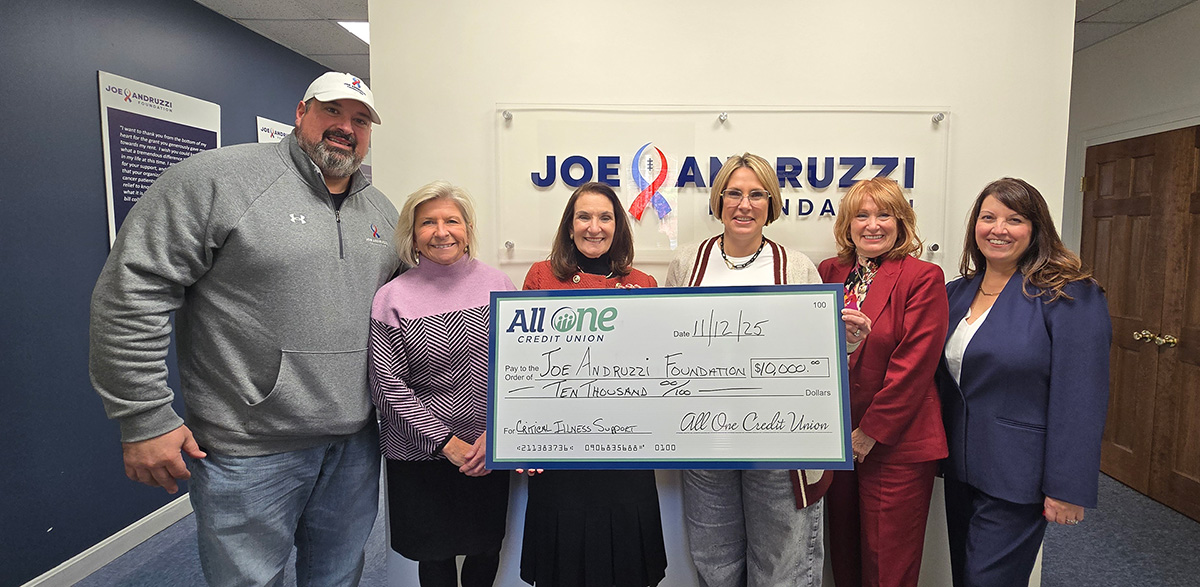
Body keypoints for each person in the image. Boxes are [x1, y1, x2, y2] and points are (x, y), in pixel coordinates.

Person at [89, 72, 397, 586]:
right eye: (332, 112)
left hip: (354, 445)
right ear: (301, 113)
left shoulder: (382, 211)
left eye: (360, 120)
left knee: (340, 576)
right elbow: (133, 290)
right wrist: (144, 417)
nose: (346, 127)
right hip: (250, 447)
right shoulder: (216, 180)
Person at [664, 153, 870, 587]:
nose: (744, 204)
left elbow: (819, 356)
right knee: (715, 561)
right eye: (734, 193)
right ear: (718, 201)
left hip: (782, 444)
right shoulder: (687, 264)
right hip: (707, 439)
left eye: (757, 194)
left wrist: (846, 339)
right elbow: (669, 342)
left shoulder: (797, 267)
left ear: (771, 203)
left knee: (782, 567)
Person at [937, 178, 1111, 587]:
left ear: (1036, 229)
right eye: (988, 218)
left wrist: (1068, 487)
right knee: (963, 574)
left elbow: (1082, 397)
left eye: (1014, 219)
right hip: (960, 467)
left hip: (1020, 476)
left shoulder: (1069, 296)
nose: (999, 229)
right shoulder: (955, 293)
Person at [518, 182, 668, 587]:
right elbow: (522, 366)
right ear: (569, 226)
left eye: (605, 217)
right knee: (562, 569)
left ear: (618, 226)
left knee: (627, 569)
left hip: (625, 452)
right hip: (560, 453)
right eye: (583, 216)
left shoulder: (644, 283)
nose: (594, 227)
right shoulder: (540, 276)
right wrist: (519, 438)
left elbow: (657, 370)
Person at [369, 181, 515, 587]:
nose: (441, 231)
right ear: (412, 235)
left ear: (468, 229)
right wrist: (446, 443)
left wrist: (495, 436)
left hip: (485, 450)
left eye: (452, 220)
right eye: (428, 222)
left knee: (485, 548)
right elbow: (387, 385)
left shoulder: (500, 286)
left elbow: (517, 371)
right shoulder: (391, 297)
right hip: (420, 456)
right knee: (434, 557)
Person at [817, 177, 949, 587]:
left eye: (884, 214)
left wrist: (869, 433)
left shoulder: (923, 276)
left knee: (887, 565)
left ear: (902, 221)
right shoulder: (829, 271)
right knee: (844, 555)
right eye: (862, 215)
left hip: (897, 443)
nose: (873, 224)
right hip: (839, 442)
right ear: (847, 223)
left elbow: (914, 366)